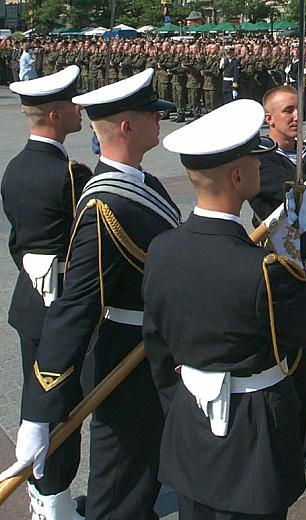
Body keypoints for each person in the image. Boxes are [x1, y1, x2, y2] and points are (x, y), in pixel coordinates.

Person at [144, 99, 306, 520]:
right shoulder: (262, 270)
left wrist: (185, 400)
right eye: (255, 161)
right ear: (237, 177)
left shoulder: (162, 249)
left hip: (189, 419)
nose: (261, 166)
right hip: (253, 428)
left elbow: (157, 344)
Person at [4, 68, 179, 520]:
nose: (159, 121)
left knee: (141, 472)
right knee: (120, 478)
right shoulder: (104, 203)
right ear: (127, 127)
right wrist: (39, 413)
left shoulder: (146, 183)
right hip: (123, 358)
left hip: (150, 352)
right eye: (150, 114)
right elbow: (75, 308)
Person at [0, 65, 91, 520]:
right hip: (61, 307)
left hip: (28, 303)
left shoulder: (15, 168)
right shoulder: (70, 173)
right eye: (73, 104)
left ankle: (42, 494)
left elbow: (20, 242)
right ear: (55, 115)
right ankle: (53, 500)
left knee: (37, 402)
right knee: (62, 406)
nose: (80, 110)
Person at [248, 85, 306, 476]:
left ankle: (304, 445)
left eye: (299, 109)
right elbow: (271, 195)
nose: (297, 117)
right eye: (287, 111)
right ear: (269, 120)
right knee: (277, 364)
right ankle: (272, 444)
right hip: (277, 270)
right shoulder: (262, 163)